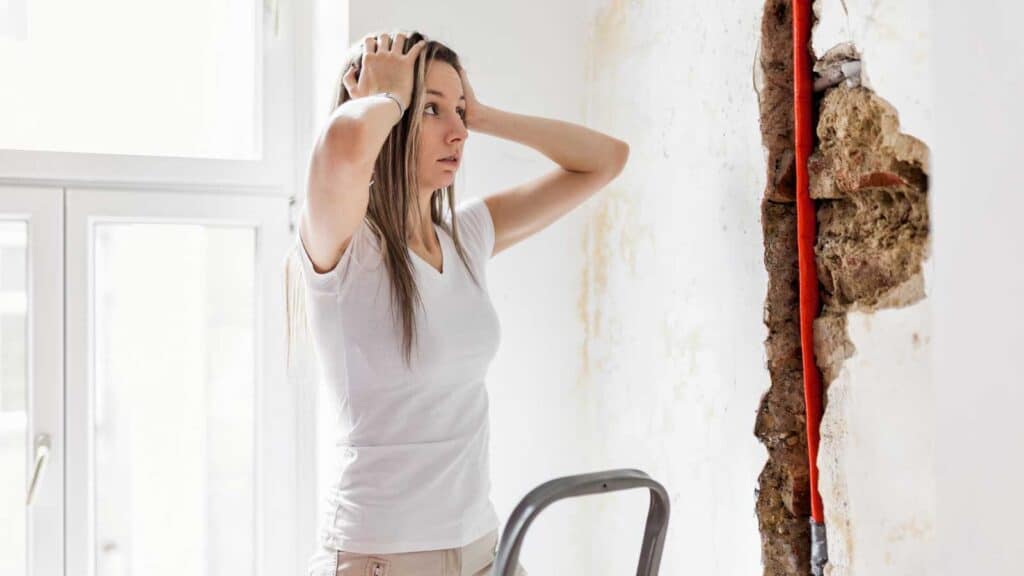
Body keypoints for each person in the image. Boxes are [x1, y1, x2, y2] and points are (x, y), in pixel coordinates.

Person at [287, 29, 629, 576]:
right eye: (430, 109)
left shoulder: (466, 235)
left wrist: (483, 113)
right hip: (382, 559)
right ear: (384, 110)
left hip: (481, 550)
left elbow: (606, 160)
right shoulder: (344, 243)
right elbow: (343, 151)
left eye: (458, 111)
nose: (457, 133)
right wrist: (389, 97)